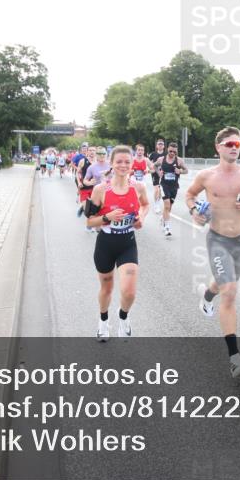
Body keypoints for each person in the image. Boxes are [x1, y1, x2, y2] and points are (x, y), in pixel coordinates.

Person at [185, 127, 240, 378]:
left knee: (223, 284)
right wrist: (194, 212)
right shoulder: (206, 176)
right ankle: (234, 358)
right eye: (230, 143)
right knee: (230, 292)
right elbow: (189, 195)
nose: (235, 147)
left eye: (238, 144)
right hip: (217, 240)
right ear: (218, 147)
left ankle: (207, 297)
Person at [85, 145, 149, 340]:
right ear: (112, 164)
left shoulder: (138, 187)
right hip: (105, 244)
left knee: (129, 291)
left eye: (127, 162)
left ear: (132, 164)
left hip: (127, 244)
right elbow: (89, 221)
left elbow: (145, 205)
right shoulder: (100, 189)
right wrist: (108, 218)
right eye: (119, 161)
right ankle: (103, 322)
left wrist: (141, 218)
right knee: (107, 288)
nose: (123, 165)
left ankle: (123, 317)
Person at [154, 142, 187, 237]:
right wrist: (158, 173)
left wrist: (180, 171)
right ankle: (167, 227)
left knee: (169, 207)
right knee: (167, 206)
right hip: (164, 185)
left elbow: (186, 170)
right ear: (167, 149)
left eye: (174, 152)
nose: (172, 153)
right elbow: (155, 166)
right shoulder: (161, 159)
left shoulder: (179, 161)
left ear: (177, 152)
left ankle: (163, 218)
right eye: (170, 151)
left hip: (174, 187)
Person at [147, 139, 166, 214]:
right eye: (159, 144)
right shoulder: (153, 154)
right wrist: (151, 169)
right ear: (157, 146)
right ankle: (156, 205)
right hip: (155, 173)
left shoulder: (166, 154)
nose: (160, 145)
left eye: (161, 144)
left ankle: (158, 202)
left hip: (163, 173)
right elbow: (148, 163)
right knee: (156, 189)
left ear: (164, 146)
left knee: (161, 190)